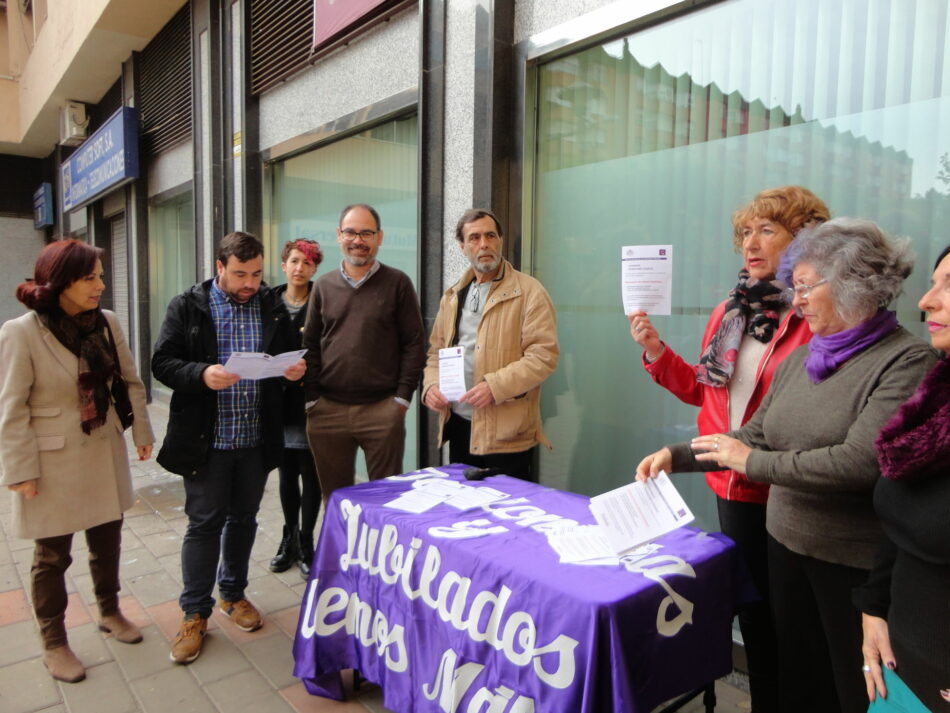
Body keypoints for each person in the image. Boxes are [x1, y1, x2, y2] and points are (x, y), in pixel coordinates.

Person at [636, 218, 938, 713]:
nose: (793, 302)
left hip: (851, 566)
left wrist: (752, 463)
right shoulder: (804, 359)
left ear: (851, 285)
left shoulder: (904, 363)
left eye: (802, 287)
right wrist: (679, 455)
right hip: (786, 544)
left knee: (849, 688)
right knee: (799, 679)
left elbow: (858, 463)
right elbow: (756, 432)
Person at [628, 185, 829, 710]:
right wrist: (656, 351)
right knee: (754, 614)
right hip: (728, 481)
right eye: (745, 232)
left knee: (792, 623)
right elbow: (703, 388)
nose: (751, 243)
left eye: (767, 230)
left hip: (784, 486)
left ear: (804, 240)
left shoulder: (814, 316)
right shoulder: (729, 312)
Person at [0, 239, 154, 683]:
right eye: (91, 278)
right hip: (51, 462)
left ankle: (109, 610)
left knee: (108, 539)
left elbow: (130, 380)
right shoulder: (22, 331)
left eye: (101, 276)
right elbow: (11, 409)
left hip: (102, 448)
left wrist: (141, 431)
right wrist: (20, 471)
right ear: (61, 280)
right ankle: (54, 641)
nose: (101, 285)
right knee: (52, 557)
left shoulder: (105, 322)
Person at [152, 231, 306, 664]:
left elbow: (287, 357)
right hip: (208, 441)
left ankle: (233, 595)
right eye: (240, 274)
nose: (249, 283)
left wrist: (293, 371)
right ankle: (194, 613)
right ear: (219, 267)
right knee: (203, 524)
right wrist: (202, 374)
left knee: (244, 519)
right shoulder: (188, 306)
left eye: (256, 274)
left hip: (255, 438)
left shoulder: (270, 305)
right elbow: (162, 362)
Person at [856, 245, 950, 710]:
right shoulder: (936, 398)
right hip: (900, 667)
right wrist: (874, 607)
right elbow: (901, 520)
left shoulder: (906, 364)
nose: (926, 301)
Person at [422, 208, 559, 481]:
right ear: (462, 247)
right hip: (460, 425)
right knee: (464, 514)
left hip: (507, 433)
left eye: (490, 236)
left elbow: (543, 356)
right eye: (474, 238)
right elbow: (436, 352)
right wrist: (430, 386)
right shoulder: (453, 295)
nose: (483, 244)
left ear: (500, 241)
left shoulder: (530, 292)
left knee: (508, 514)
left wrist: (495, 387)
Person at [302, 204, 426, 498]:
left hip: (382, 410)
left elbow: (414, 343)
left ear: (379, 237)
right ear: (338, 235)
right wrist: (311, 400)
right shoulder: (322, 286)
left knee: (387, 503)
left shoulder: (398, 283)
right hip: (327, 412)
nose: (358, 240)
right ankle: (343, 546)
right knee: (336, 501)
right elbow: (310, 347)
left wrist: (402, 399)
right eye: (350, 232)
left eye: (366, 233)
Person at [269, 239, 323, 578]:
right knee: (286, 473)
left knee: (311, 474)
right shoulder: (267, 302)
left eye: (307, 262)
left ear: (315, 267)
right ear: (283, 265)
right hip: (277, 402)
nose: (300, 267)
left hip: (311, 402)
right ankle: (288, 537)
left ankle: (307, 541)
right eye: (294, 261)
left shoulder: (324, 300)